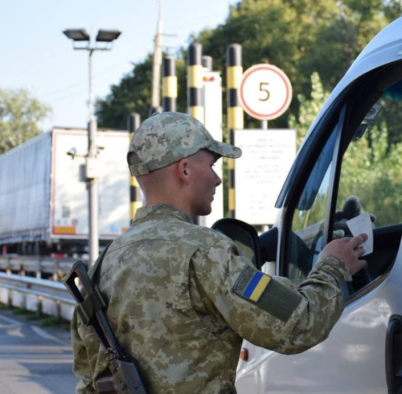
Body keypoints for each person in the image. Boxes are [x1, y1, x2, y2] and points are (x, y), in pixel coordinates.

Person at [71, 112, 368, 393]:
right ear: (184, 170)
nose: (217, 179)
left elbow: (87, 378)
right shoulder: (206, 252)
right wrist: (332, 266)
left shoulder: (102, 265)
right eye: (212, 166)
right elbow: (298, 323)